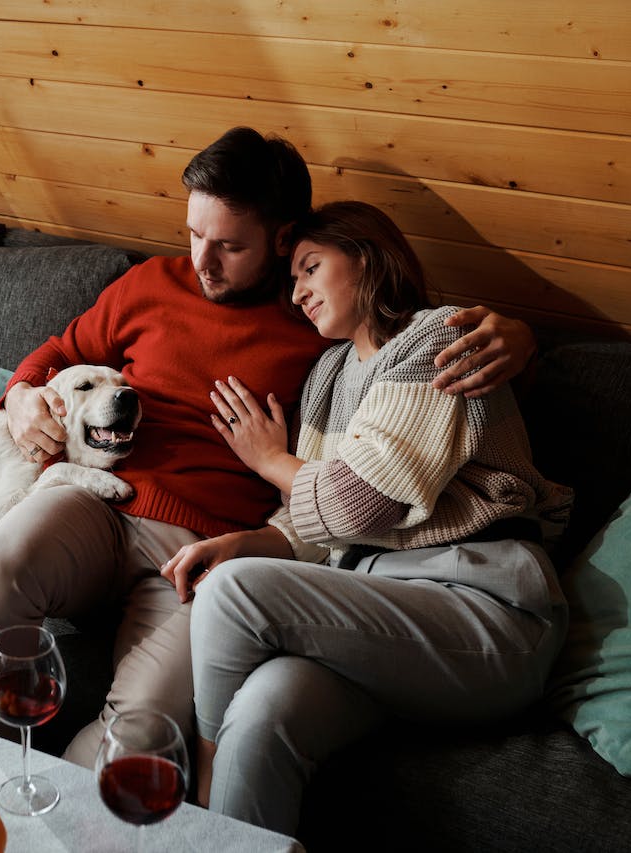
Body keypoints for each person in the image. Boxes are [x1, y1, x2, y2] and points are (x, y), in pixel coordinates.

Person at [0, 127, 537, 767]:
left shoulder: (322, 326)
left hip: (209, 552)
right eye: (195, 234)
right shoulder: (150, 284)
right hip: (98, 504)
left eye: (229, 246)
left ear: (283, 238)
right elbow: (60, 353)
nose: (202, 261)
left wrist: (518, 335)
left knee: (141, 739)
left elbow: (406, 353)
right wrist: (19, 395)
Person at [160, 200, 573, 834]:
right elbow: (322, 521)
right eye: (292, 278)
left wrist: (272, 459)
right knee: (265, 712)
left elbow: (359, 502)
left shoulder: (435, 338)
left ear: (367, 259)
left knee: (232, 592)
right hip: (379, 610)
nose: (297, 293)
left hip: (486, 608)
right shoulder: (328, 374)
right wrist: (258, 537)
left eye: (310, 268)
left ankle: (197, 817)